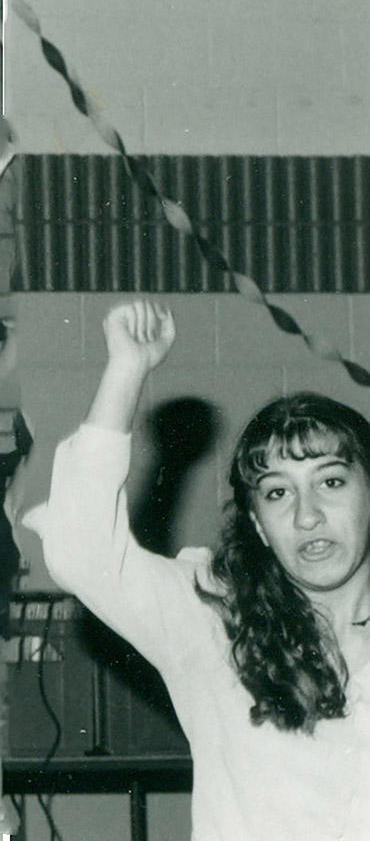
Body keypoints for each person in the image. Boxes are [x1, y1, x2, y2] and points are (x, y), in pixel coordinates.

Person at [24, 300, 370, 841]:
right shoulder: (209, 617)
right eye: (278, 493)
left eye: (331, 481)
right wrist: (127, 370)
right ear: (257, 524)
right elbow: (82, 554)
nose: (307, 516)